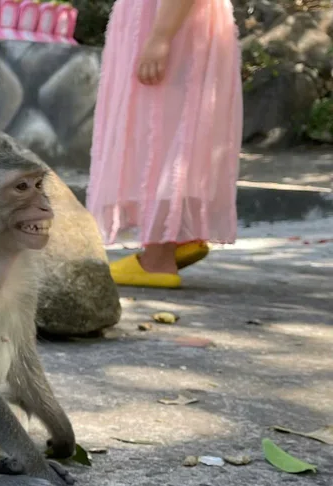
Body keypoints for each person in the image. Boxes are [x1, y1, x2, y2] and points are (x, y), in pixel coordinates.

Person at [87, 0, 243, 289]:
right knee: (169, 128)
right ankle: (178, 236)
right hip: (168, 19)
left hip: (169, 22)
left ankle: (158, 259)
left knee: (160, 131)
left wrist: (160, 36)